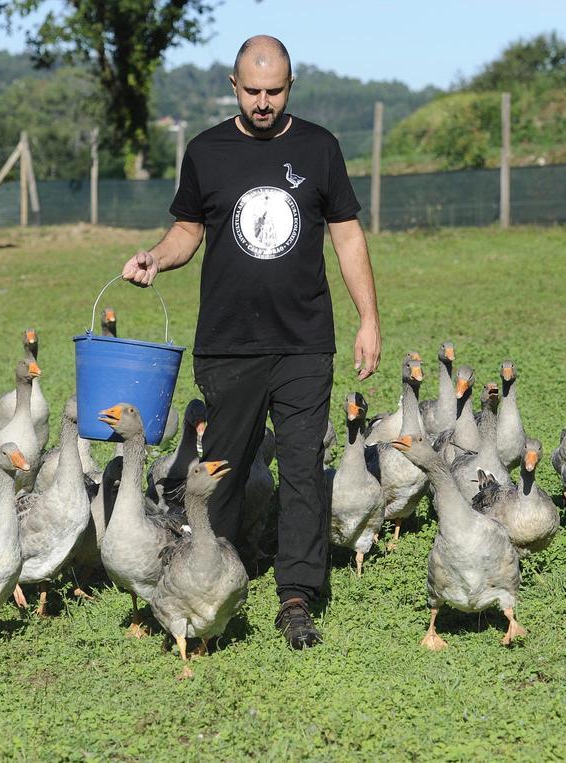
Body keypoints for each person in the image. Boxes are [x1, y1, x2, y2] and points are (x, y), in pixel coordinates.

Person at [121, 35, 381, 649]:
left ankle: (296, 597)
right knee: (222, 473)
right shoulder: (206, 150)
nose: (263, 102)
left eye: (275, 91)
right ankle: (211, 584)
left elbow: (347, 238)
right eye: (253, 90)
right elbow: (188, 230)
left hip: (304, 342)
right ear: (234, 86)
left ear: (290, 87)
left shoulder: (319, 148)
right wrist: (158, 257)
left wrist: (368, 319)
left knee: (300, 472)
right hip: (228, 344)